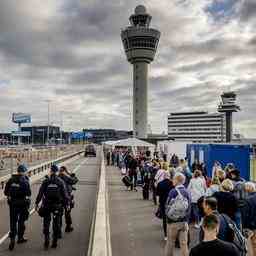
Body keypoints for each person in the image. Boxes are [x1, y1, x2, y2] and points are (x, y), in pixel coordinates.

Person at [35, 164, 69, 249]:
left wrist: (36, 203)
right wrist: (67, 204)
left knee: (46, 222)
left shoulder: (46, 181)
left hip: (47, 204)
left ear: (50, 171)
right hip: (57, 205)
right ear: (57, 171)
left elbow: (40, 193)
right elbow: (65, 195)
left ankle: (46, 239)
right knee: (56, 223)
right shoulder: (60, 181)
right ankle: (54, 241)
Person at [4, 164, 31, 251]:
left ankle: (12, 240)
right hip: (22, 204)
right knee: (21, 222)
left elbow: (5, 192)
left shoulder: (11, 180)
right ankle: (20, 238)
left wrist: (10, 196)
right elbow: (28, 193)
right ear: (24, 171)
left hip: (13, 205)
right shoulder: (25, 181)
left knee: (13, 222)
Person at [165, 172, 191, 256]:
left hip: (173, 222)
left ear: (177, 180)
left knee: (170, 243)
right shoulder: (187, 192)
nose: (172, 180)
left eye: (173, 179)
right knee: (184, 244)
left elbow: (167, 205)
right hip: (184, 222)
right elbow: (189, 207)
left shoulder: (173, 192)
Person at [58, 166, 79, 233]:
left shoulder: (57, 177)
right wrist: (69, 173)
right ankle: (68, 227)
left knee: (59, 214)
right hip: (66, 198)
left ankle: (58, 229)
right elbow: (75, 180)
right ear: (65, 171)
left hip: (58, 199)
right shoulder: (66, 177)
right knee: (67, 213)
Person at [156, 171, 174, 240]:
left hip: (163, 203)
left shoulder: (160, 184)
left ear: (163, 176)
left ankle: (166, 235)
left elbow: (157, 195)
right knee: (171, 218)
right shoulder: (172, 183)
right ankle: (172, 234)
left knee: (164, 219)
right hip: (171, 204)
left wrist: (158, 203)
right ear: (169, 176)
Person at [241, 182, 256, 256]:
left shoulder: (247, 200)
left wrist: (244, 227)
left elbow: (245, 216)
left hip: (252, 227)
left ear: (248, 189)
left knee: (252, 246)